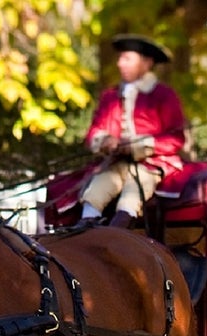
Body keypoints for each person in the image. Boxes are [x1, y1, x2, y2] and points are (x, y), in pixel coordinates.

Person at [75, 34, 187, 230]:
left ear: (147, 63)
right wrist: (104, 140)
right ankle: (85, 238)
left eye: (127, 58)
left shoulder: (164, 95)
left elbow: (175, 138)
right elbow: (94, 131)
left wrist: (136, 145)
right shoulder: (110, 96)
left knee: (131, 196)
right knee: (94, 193)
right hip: (115, 163)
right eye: (120, 58)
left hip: (151, 164)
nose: (120, 64)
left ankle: (117, 238)